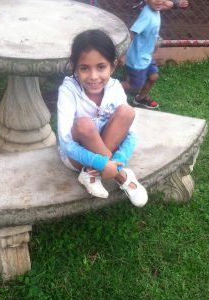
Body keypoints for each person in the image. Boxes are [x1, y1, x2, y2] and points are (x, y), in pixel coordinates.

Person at [57, 29, 148, 207]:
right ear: (75, 67)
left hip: (110, 148)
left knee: (127, 112)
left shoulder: (115, 88)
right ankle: (122, 177)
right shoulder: (68, 90)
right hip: (75, 156)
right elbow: (66, 142)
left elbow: (131, 134)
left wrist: (118, 160)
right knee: (84, 124)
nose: (93, 76)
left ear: (113, 66)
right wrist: (105, 164)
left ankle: (90, 174)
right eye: (84, 68)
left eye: (101, 67)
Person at [121, 0, 166, 110]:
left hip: (147, 56)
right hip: (137, 59)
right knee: (134, 85)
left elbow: (153, 32)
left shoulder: (156, 10)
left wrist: (156, 44)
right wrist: (123, 54)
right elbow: (132, 33)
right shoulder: (147, 15)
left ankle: (139, 99)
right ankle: (107, 87)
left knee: (153, 76)